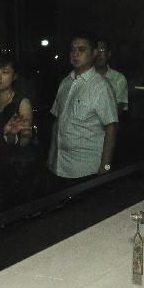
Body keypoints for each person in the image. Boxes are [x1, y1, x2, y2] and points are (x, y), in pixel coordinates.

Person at [48, 32, 118, 181]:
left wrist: (105, 167)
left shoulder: (101, 86)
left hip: (86, 169)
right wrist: (50, 157)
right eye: (72, 49)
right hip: (59, 166)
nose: (75, 54)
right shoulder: (65, 82)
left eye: (82, 49)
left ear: (93, 53)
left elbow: (111, 127)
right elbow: (57, 123)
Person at [0, 55, 38, 202]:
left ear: (14, 76)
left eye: (5, 72)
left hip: (17, 166)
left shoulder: (22, 102)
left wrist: (11, 135)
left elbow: (24, 142)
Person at [95, 39, 129, 112]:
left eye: (102, 49)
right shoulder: (82, 76)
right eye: (96, 50)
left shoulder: (118, 79)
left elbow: (119, 109)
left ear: (109, 54)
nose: (98, 53)